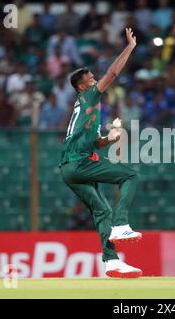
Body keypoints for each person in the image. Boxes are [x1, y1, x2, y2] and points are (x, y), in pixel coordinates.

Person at [59, 28, 142, 279]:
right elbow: (113, 72)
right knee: (130, 176)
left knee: (101, 211)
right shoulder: (89, 96)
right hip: (80, 163)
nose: (97, 81)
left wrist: (110, 139)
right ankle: (122, 224)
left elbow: (95, 142)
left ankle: (111, 261)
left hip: (68, 170)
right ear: (83, 86)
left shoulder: (85, 108)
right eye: (92, 79)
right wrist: (130, 47)